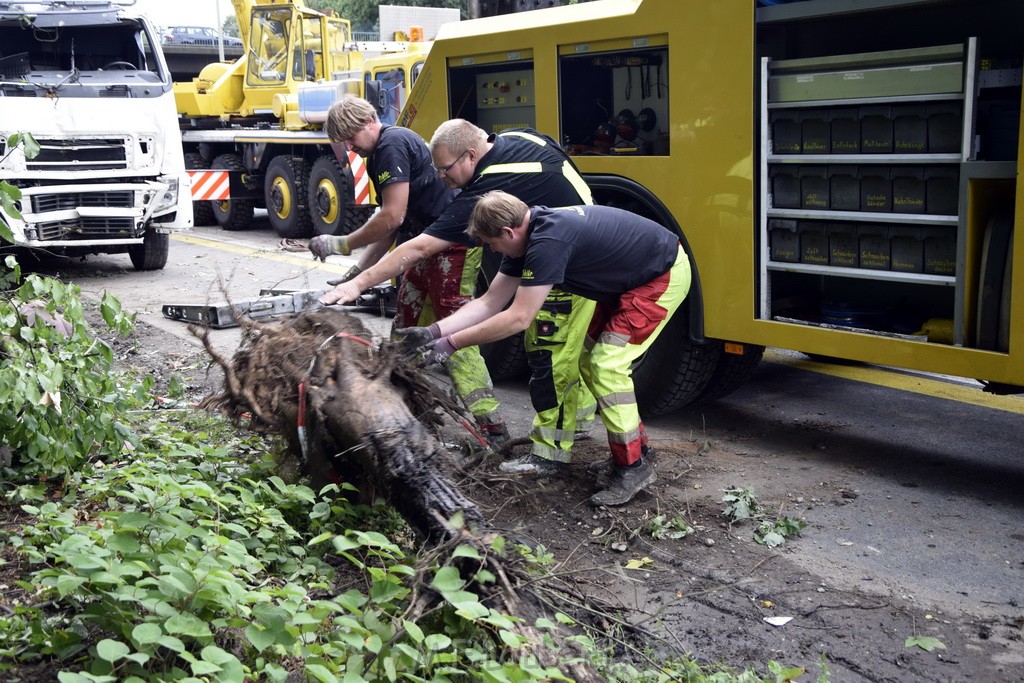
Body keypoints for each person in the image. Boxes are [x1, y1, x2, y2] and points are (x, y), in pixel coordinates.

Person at [318, 119, 598, 468]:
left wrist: (357, 283)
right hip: (561, 240)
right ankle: (580, 422)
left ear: (470, 155)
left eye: (446, 168)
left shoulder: (484, 189)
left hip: (564, 260)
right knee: (562, 352)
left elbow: (416, 242)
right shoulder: (516, 138)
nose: (440, 177)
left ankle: (539, 451)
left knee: (549, 355)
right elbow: (488, 300)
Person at [409, 191, 691, 507]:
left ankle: (633, 466)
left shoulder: (548, 242)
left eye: (491, 243)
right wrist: (431, 332)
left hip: (660, 276)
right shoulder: (524, 236)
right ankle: (639, 453)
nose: (491, 249)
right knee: (589, 363)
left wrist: (450, 344)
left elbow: (519, 317)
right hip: (629, 279)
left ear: (507, 232)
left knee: (605, 366)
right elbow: (490, 301)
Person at [308, 95, 509, 445]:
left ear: (370, 122)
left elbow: (391, 216)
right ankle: (409, 414)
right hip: (418, 248)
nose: (352, 148)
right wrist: (358, 270)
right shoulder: (379, 154)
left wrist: (342, 243)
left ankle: (491, 426)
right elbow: (392, 227)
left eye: (352, 138)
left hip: (452, 248)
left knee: (454, 337)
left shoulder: (392, 144)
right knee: (405, 332)